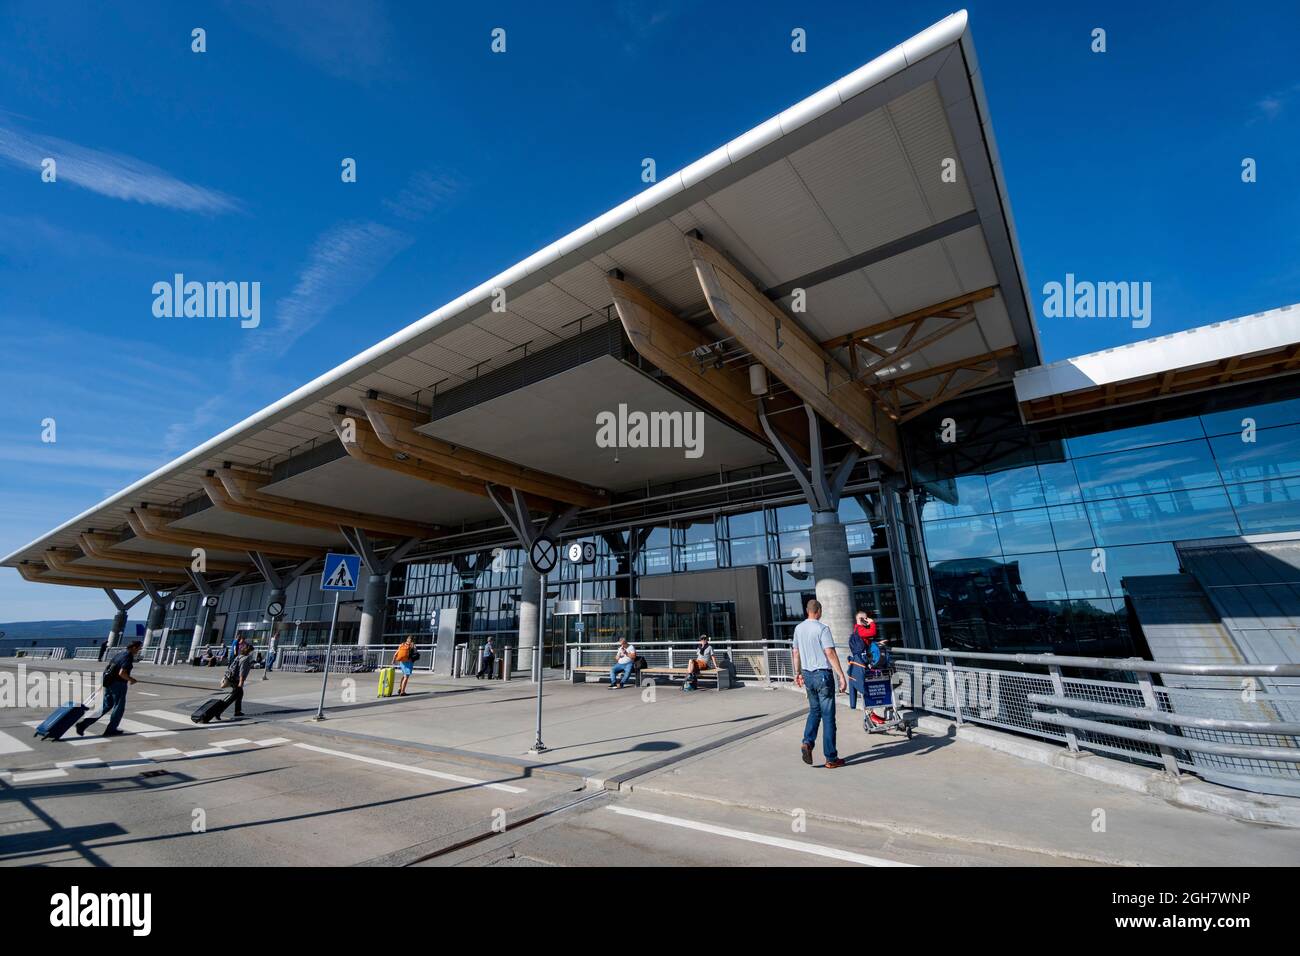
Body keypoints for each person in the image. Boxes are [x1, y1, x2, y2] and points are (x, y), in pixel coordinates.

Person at [792, 599, 847, 769]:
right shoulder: (822, 628)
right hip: (823, 675)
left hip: (808, 675)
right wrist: (841, 675)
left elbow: (795, 652)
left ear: (807, 611)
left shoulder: (798, 628)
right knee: (828, 717)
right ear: (818, 611)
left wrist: (798, 673)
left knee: (814, 711)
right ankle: (831, 758)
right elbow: (829, 652)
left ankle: (807, 742)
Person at [77, 639, 142, 737]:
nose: (139, 650)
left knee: (106, 706)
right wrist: (131, 679)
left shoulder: (120, 654)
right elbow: (122, 673)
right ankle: (111, 729)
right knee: (118, 707)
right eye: (139, 648)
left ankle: (83, 724)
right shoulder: (128, 657)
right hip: (118, 684)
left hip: (108, 682)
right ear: (134, 647)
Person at [847, 611, 877, 711]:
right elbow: (872, 632)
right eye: (865, 618)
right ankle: (870, 712)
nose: (867, 620)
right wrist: (872, 623)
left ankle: (870, 712)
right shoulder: (860, 630)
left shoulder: (857, 630)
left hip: (859, 662)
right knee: (869, 686)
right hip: (863, 662)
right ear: (860, 619)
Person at [226, 640, 255, 717]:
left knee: (239, 694)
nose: (253, 653)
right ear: (249, 651)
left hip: (232, 678)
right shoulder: (246, 658)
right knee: (233, 696)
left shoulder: (239, 656)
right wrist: (241, 682)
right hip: (237, 680)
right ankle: (218, 710)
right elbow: (242, 671)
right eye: (252, 651)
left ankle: (237, 711)